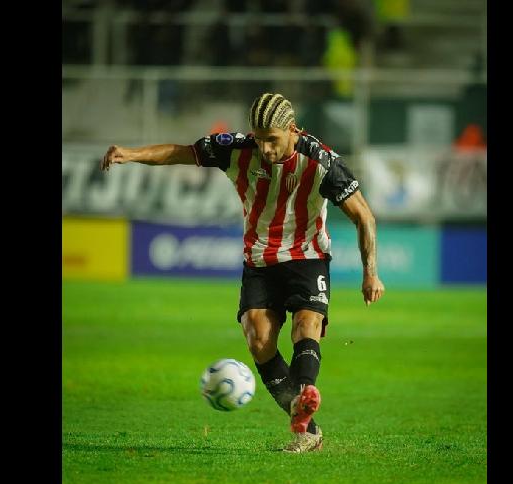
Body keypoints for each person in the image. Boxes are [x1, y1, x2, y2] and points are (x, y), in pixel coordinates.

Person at [101, 93, 385, 453]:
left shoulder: (322, 161)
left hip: (307, 255)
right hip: (260, 259)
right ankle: (307, 425)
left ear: (292, 130)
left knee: (306, 326)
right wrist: (131, 154)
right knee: (258, 339)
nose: (264, 148)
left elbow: (365, 216)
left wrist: (370, 273)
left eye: (273, 140)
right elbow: (181, 152)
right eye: (259, 138)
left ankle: (304, 393)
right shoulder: (235, 149)